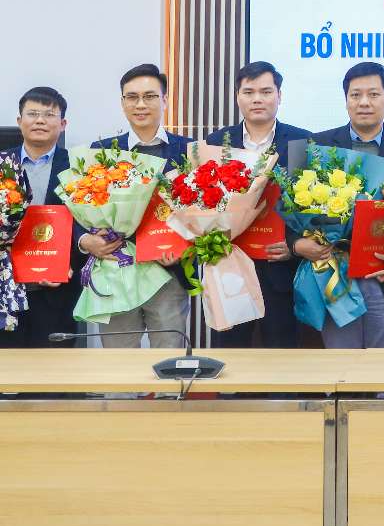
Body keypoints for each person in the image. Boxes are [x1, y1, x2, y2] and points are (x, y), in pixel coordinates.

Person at [78, 64, 193, 348]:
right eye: (132, 97)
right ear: (123, 103)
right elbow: (79, 209)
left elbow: (204, 214)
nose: (140, 104)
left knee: (169, 360)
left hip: (169, 275)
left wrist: (185, 248)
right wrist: (86, 241)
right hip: (117, 271)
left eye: (150, 96)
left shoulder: (190, 150)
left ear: (164, 100)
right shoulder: (101, 150)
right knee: (119, 364)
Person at [311, 62, 384, 348]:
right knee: (342, 363)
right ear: (346, 100)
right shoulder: (320, 144)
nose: (364, 102)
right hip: (335, 275)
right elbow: (301, 210)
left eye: (373, 94)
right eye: (355, 95)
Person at [205, 61, 310, 347]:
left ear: (279, 95)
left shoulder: (301, 142)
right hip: (230, 265)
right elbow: (204, 203)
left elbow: (310, 206)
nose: (257, 99)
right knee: (231, 351)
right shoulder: (216, 142)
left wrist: (293, 245)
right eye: (248, 92)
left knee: (281, 351)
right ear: (237, 96)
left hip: (280, 265)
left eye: (266, 92)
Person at [0, 87, 78, 348]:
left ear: (63, 124)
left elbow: (86, 225)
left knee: (53, 365)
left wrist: (68, 264)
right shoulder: (2, 163)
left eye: (49, 114)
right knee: (7, 366)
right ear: (19, 121)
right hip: (6, 288)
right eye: (32, 114)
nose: (40, 120)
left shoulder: (77, 166)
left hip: (57, 289)